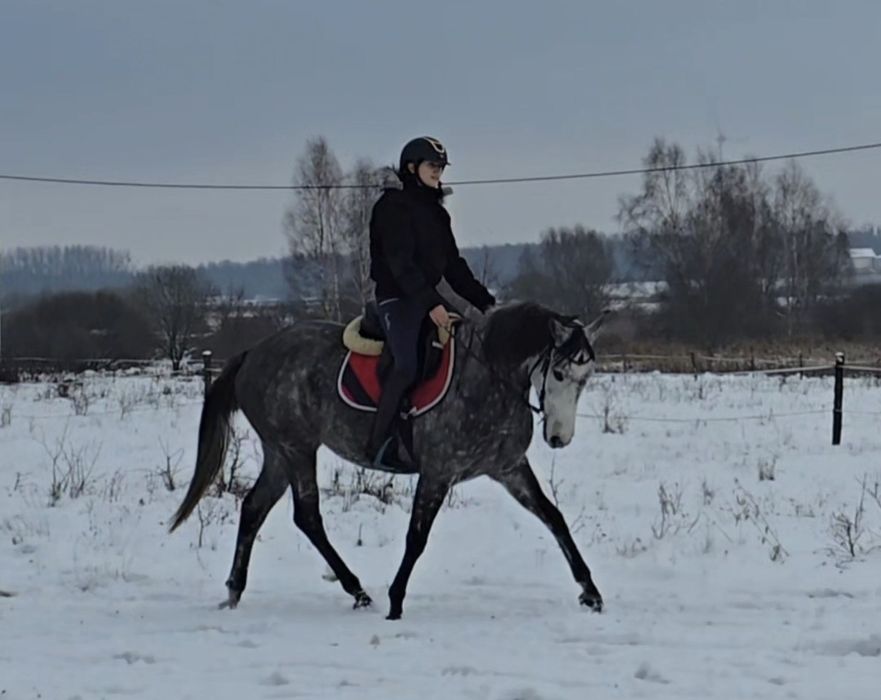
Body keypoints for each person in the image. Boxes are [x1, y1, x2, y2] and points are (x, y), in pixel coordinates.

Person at [366, 136, 496, 471]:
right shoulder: (392, 207)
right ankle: (379, 442)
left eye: (440, 167)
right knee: (407, 364)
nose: (438, 172)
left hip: (425, 298)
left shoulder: (437, 214)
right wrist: (432, 305)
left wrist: (487, 303)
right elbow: (400, 264)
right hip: (396, 297)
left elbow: (452, 266)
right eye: (432, 166)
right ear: (412, 168)